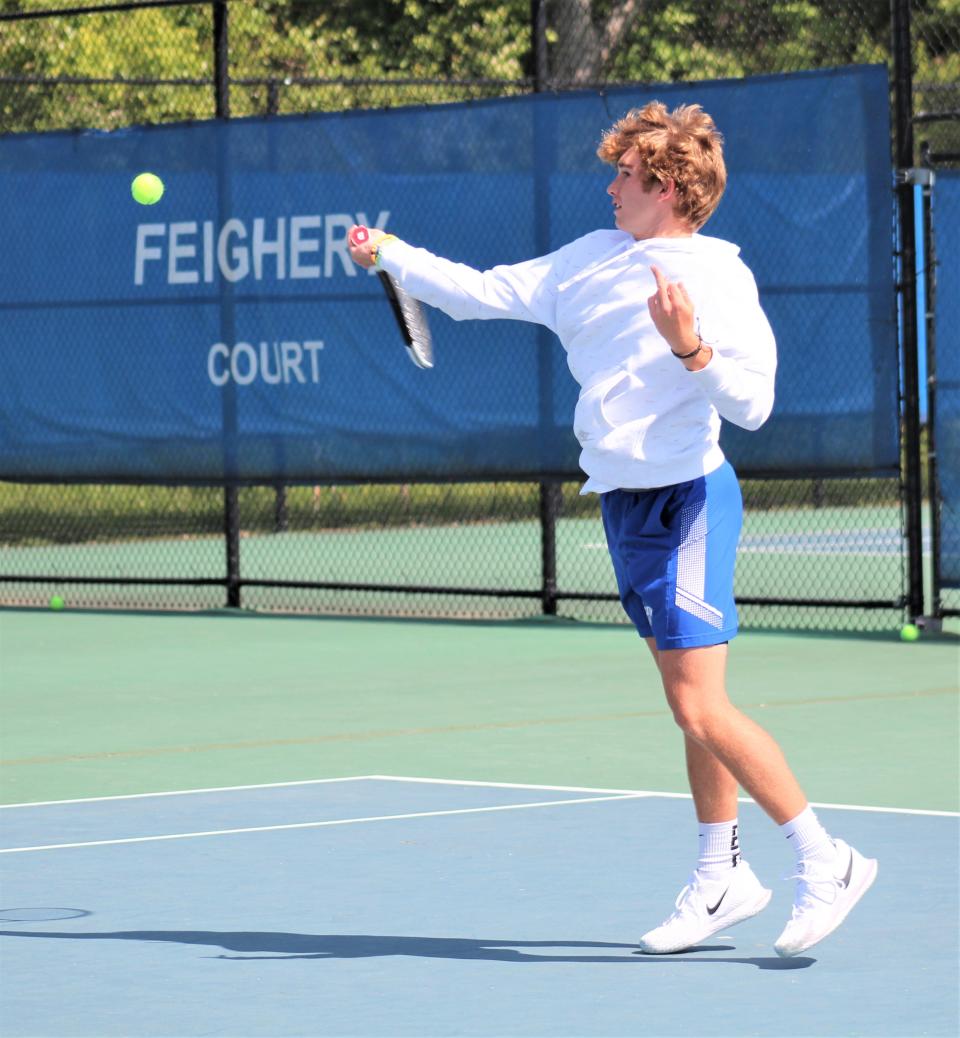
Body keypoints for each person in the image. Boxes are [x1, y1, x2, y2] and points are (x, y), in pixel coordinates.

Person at [347, 100, 877, 958]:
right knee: (690, 709)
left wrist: (689, 346)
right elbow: (480, 295)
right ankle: (722, 877)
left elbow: (755, 404)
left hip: (690, 503)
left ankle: (828, 861)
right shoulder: (588, 261)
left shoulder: (719, 279)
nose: (609, 185)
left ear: (665, 186)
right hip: (625, 504)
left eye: (623, 175)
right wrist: (393, 254)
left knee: (699, 706)